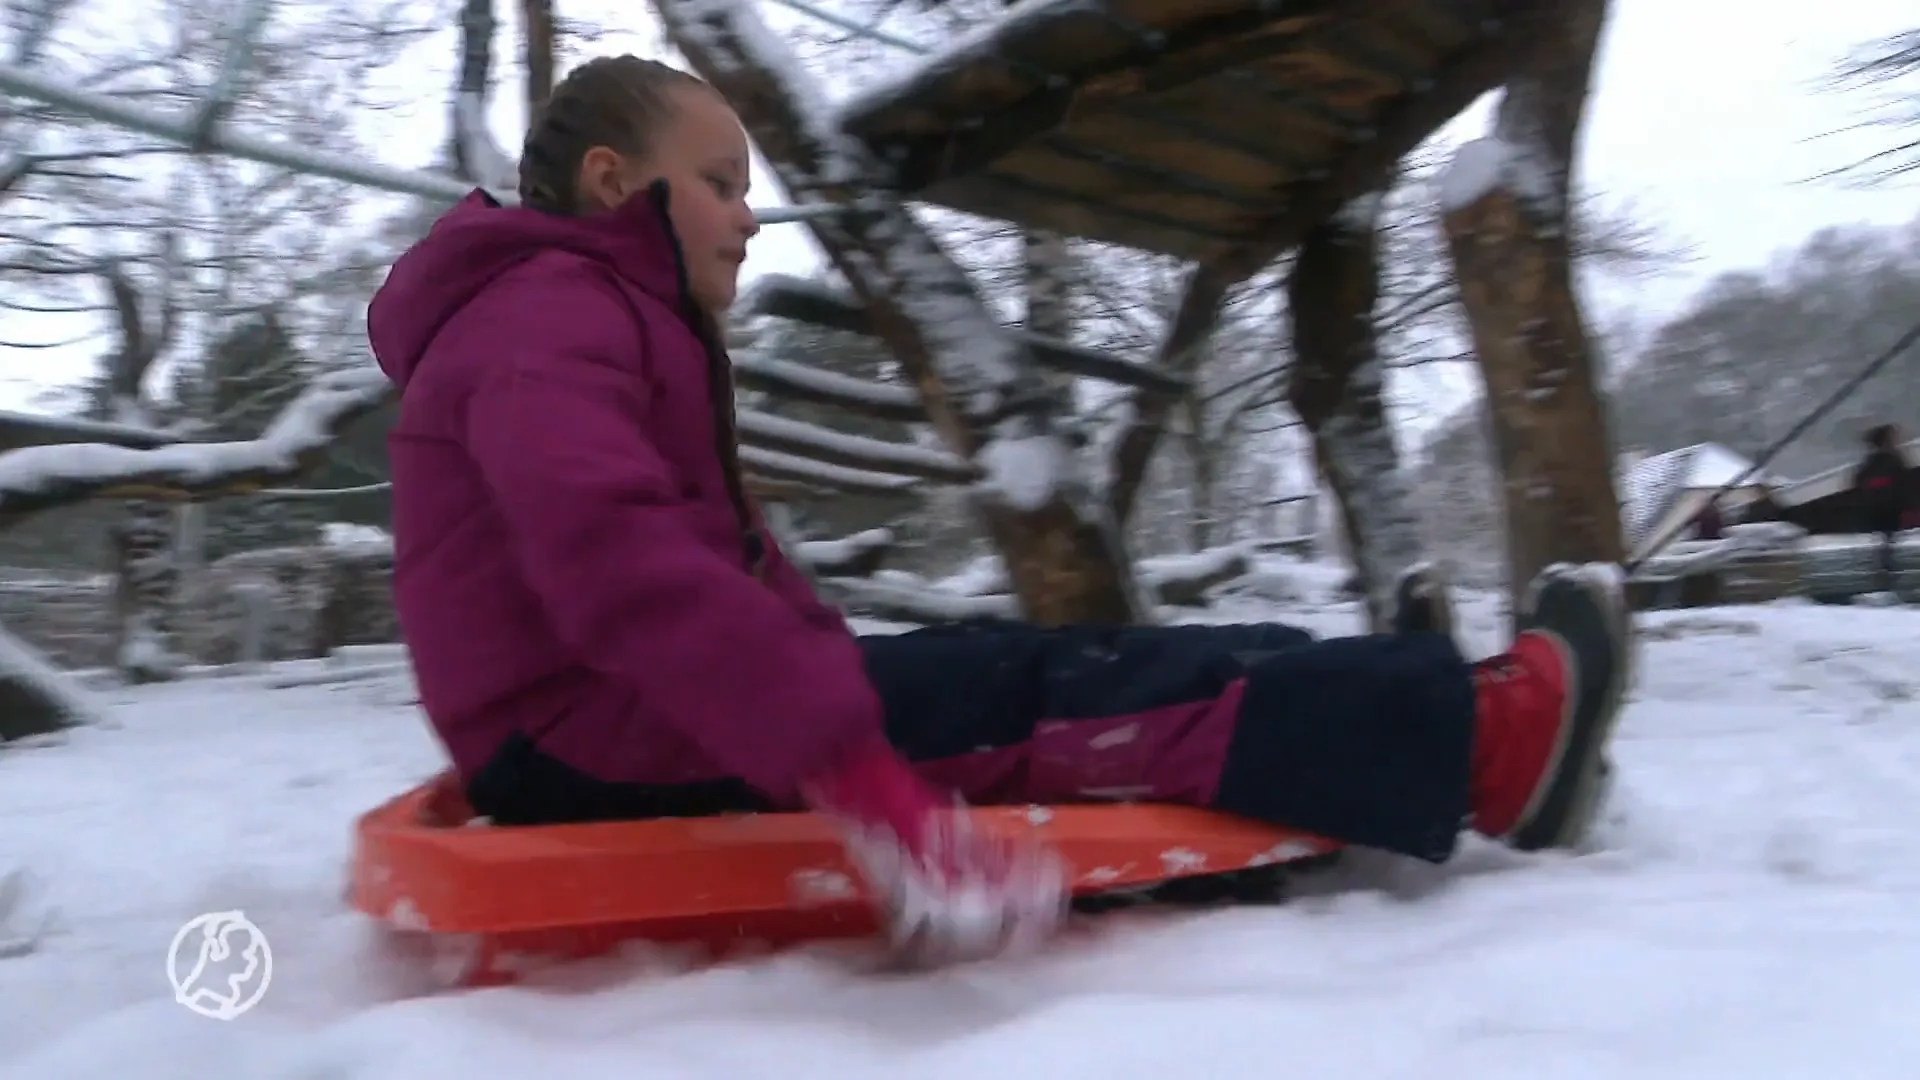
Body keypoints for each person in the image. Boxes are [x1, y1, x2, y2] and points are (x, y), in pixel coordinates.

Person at [367, 56, 1632, 967]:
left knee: (1030, 666)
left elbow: (732, 571)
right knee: (1060, 702)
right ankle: (1492, 749)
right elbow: (618, 560)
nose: (751, 214)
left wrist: (825, 674)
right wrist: (856, 764)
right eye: (717, 179)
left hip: (613, 725)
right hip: (601, 745)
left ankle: (1431, 702)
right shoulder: (548, 318)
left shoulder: (586, 318)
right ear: (610, 181)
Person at [1854, 424, 1911, 594]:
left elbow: (1860, 480)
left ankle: (1885, 574)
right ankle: (1886, 575)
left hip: (1881, 508)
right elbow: (1903, 482)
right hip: (1888, 508)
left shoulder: (1874, 461)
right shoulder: (1891, 459)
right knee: (1887, 543)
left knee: (1886, 543)